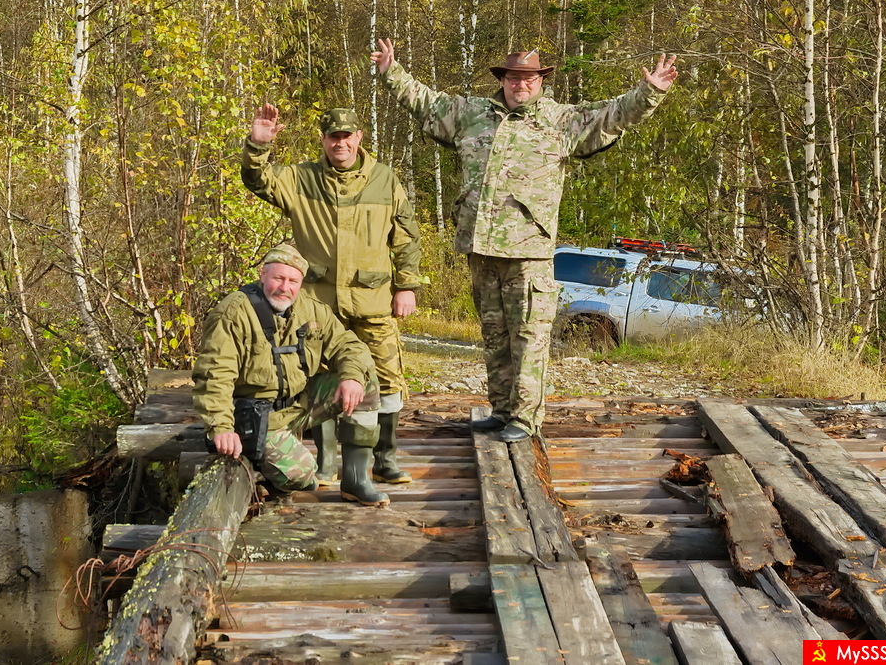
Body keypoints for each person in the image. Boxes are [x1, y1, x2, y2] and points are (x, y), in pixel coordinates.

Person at [371, 40, 678, 441]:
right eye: (514, 77)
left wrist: (650, 91)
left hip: (528, 252)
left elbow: (613, 115)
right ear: (503, 80)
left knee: (530, 338)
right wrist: (391, 71)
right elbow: (426, 102)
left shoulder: (560, 120)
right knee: (495, 335)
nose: (521, 84)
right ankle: (502, 410)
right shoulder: (472, 114)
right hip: (480, 249)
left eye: (529, 78)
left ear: (541, 81)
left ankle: (524, 419)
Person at [241, 105, 422, 486]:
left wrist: (406, 285)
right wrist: (258, 144)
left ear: (359, 137)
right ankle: (326, 464)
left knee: (387, 379)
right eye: (333, 137)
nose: (341, 143)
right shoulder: (302, 179)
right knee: (320, 375)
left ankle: (385, 460)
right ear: (323, 140)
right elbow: (258, 181)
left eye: (347, 136)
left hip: (373, 301)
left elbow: (405, 237)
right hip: (319, 305)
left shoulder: (384, 179)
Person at [191, 243, 391, 506]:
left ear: (301, 283)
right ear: (263, 274)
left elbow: (349, 345)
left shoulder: (311, 309)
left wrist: (351, 377)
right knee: (304, 478)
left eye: (293, 281)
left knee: (365, 382)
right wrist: (221, 428)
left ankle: (356, 479)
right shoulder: (233, 313)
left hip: (298, 403)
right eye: (278, 278)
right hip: (258, 417)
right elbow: (214, 375)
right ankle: (258, 468)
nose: (285, 287)